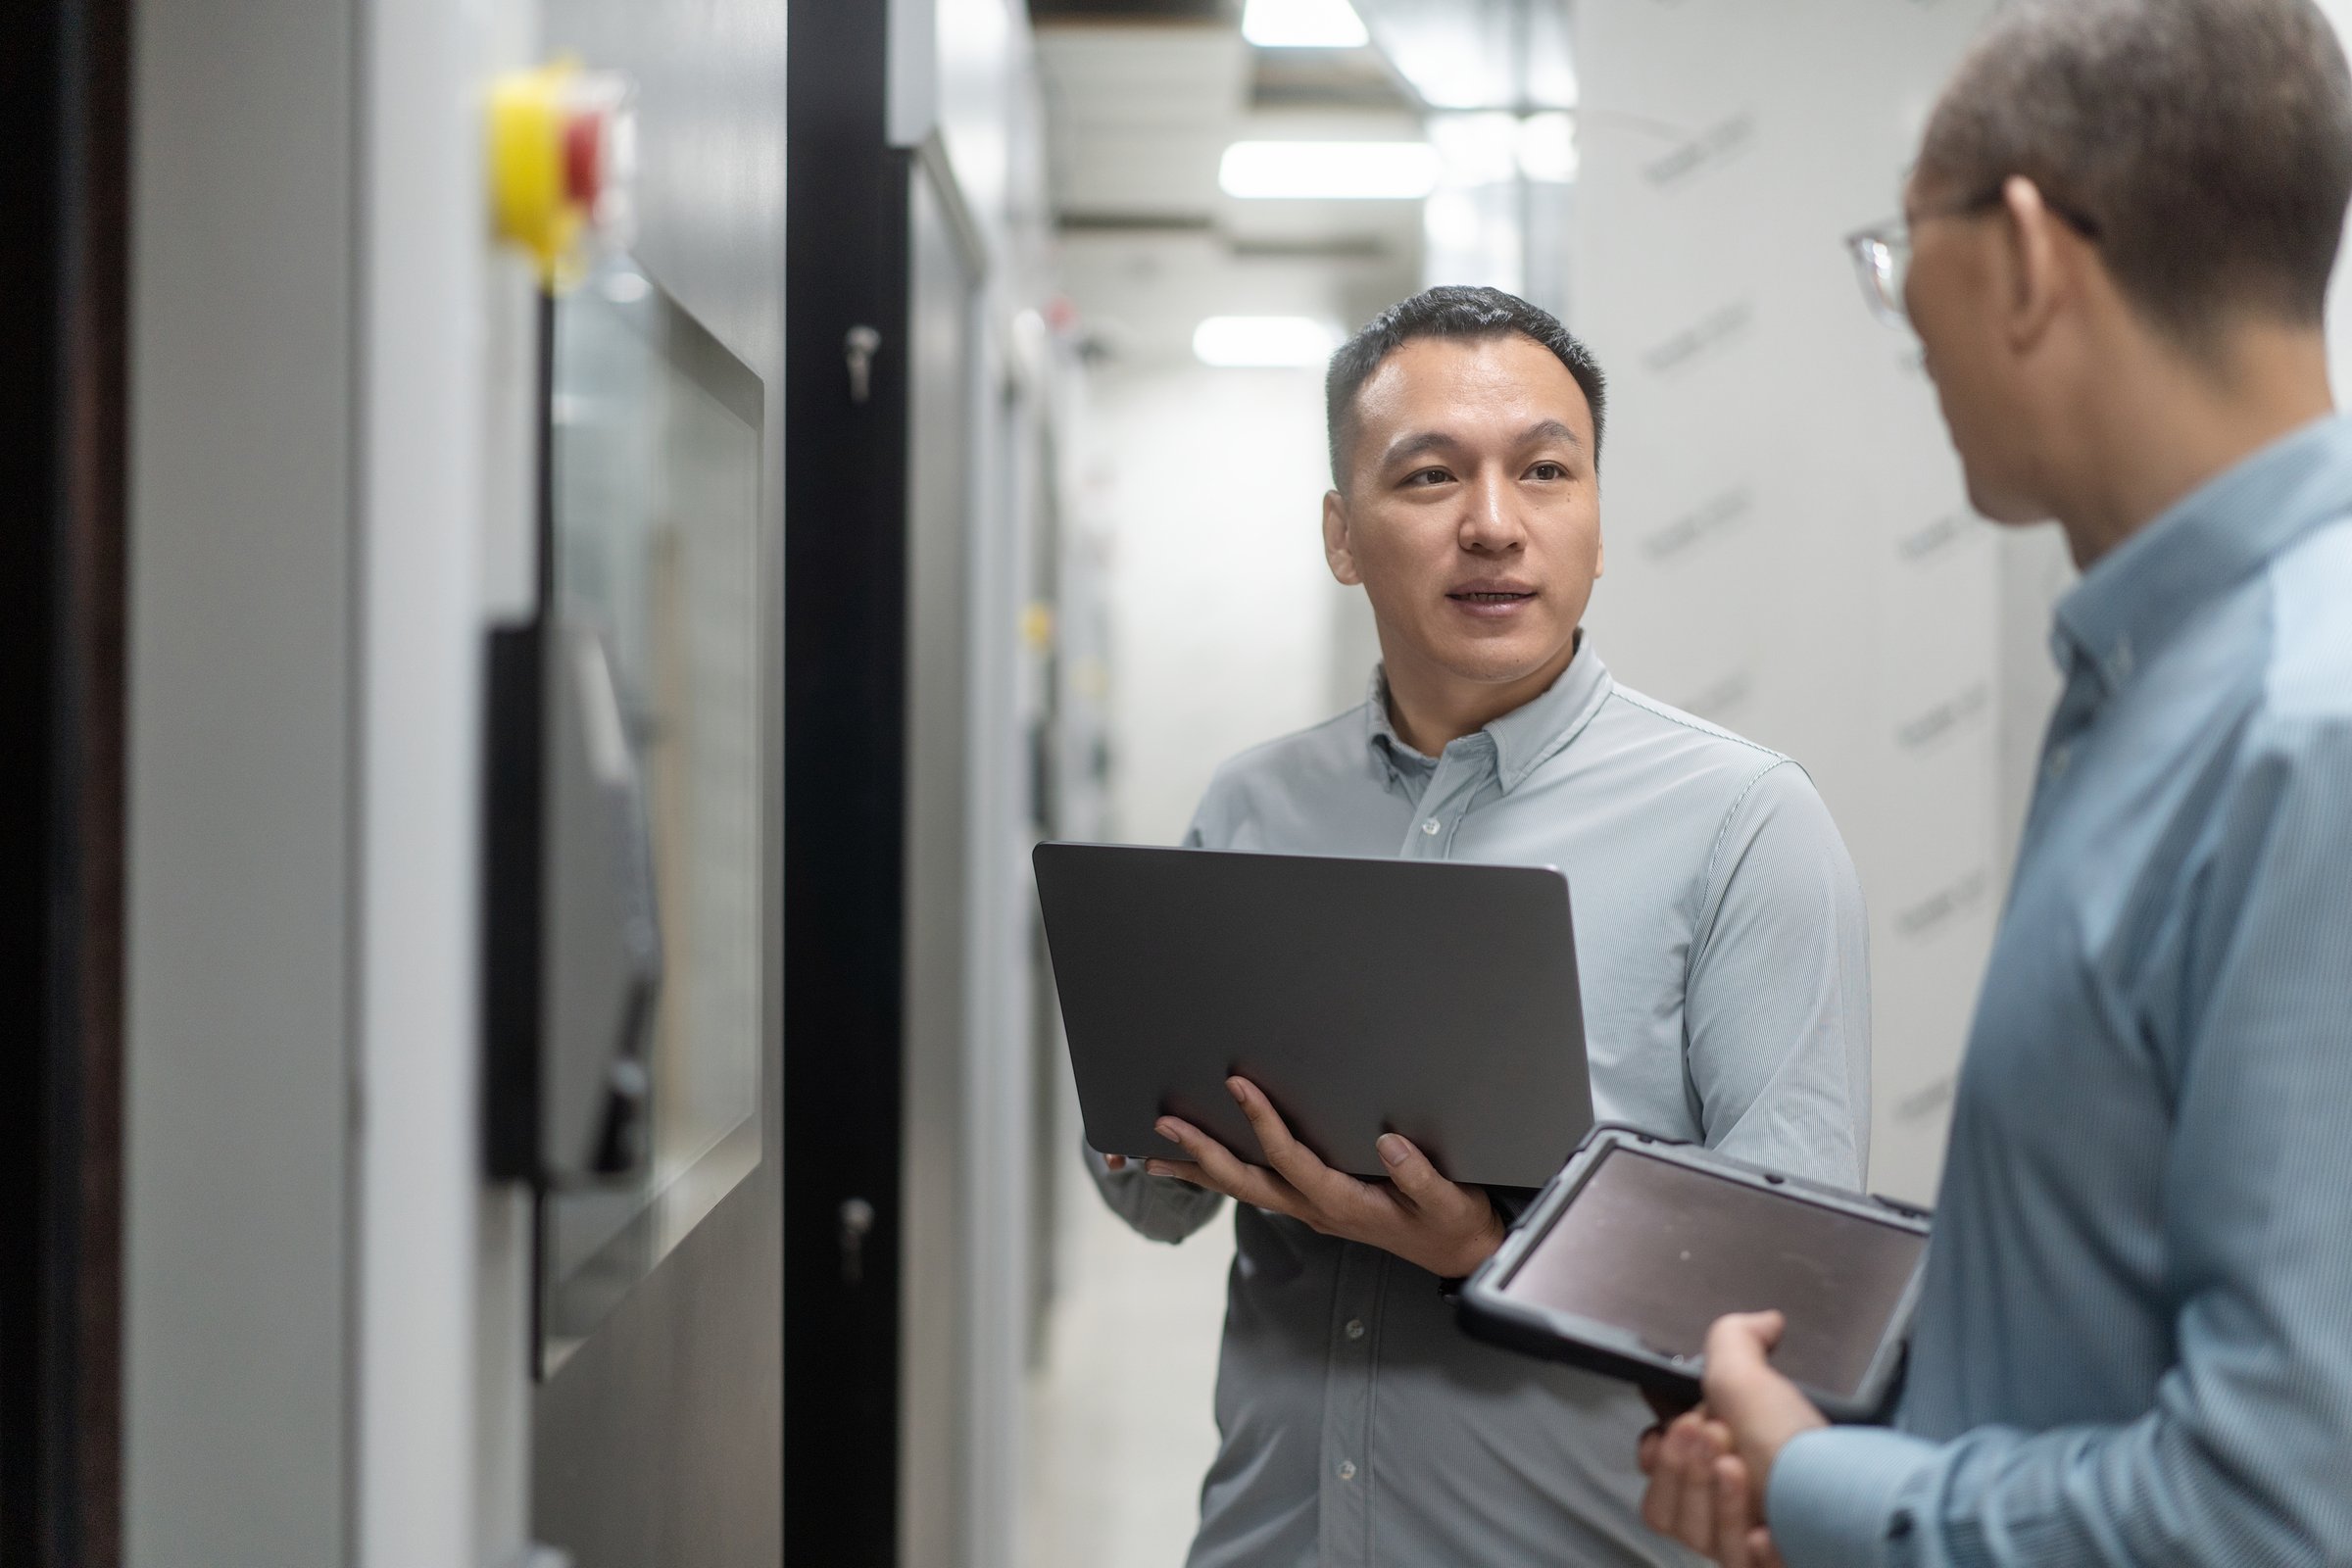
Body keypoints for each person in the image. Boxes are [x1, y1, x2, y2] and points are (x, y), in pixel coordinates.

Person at [1637, 3, 2352, 1565]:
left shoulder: (2311, 736)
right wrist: (1865, 1443)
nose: (1904, 322)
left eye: (1904, 255)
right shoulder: (2153, 683)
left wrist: (1823, 1490)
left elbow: (2277, 1512)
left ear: (2025, 254)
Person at [1088, 285, 1873, 1567]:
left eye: (1546, 471)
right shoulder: (1254, 804)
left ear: (1597, 522)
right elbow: (1149, 1208)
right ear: (1342, 536)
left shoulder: (1742, 824)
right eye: (1431, 476)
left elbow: (1794, 1293)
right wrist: (1152, 1118)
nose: (1495, 524)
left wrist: (1489, 1252)